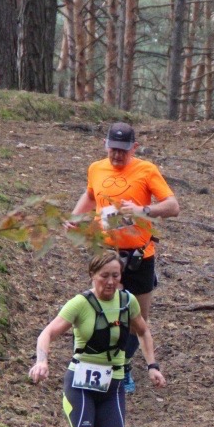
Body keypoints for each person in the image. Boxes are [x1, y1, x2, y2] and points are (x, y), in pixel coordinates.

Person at [29, 251, 167, 427]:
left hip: (112, 384)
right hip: (79, 384)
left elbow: (143, 331)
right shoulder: (80, 304)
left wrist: (152, 365)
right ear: (92, 276)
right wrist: (41, 361)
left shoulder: (127, 302)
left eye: (116, 276)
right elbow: (48, 333)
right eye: (104, 276)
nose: (110, 282)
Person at [69, 122, 180, 395]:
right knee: (109, 312)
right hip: (107, 253)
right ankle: (106, 365)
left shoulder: (146, 170)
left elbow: (173, 206)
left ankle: (126, 363)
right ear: (105, 145)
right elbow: (90, 195)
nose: (117, 155)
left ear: (135, 148)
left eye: (123, 150)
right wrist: (75, 217)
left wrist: (143, 210)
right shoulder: (96, 168)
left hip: (140, 254)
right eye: (113, 149)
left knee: (137, 316)